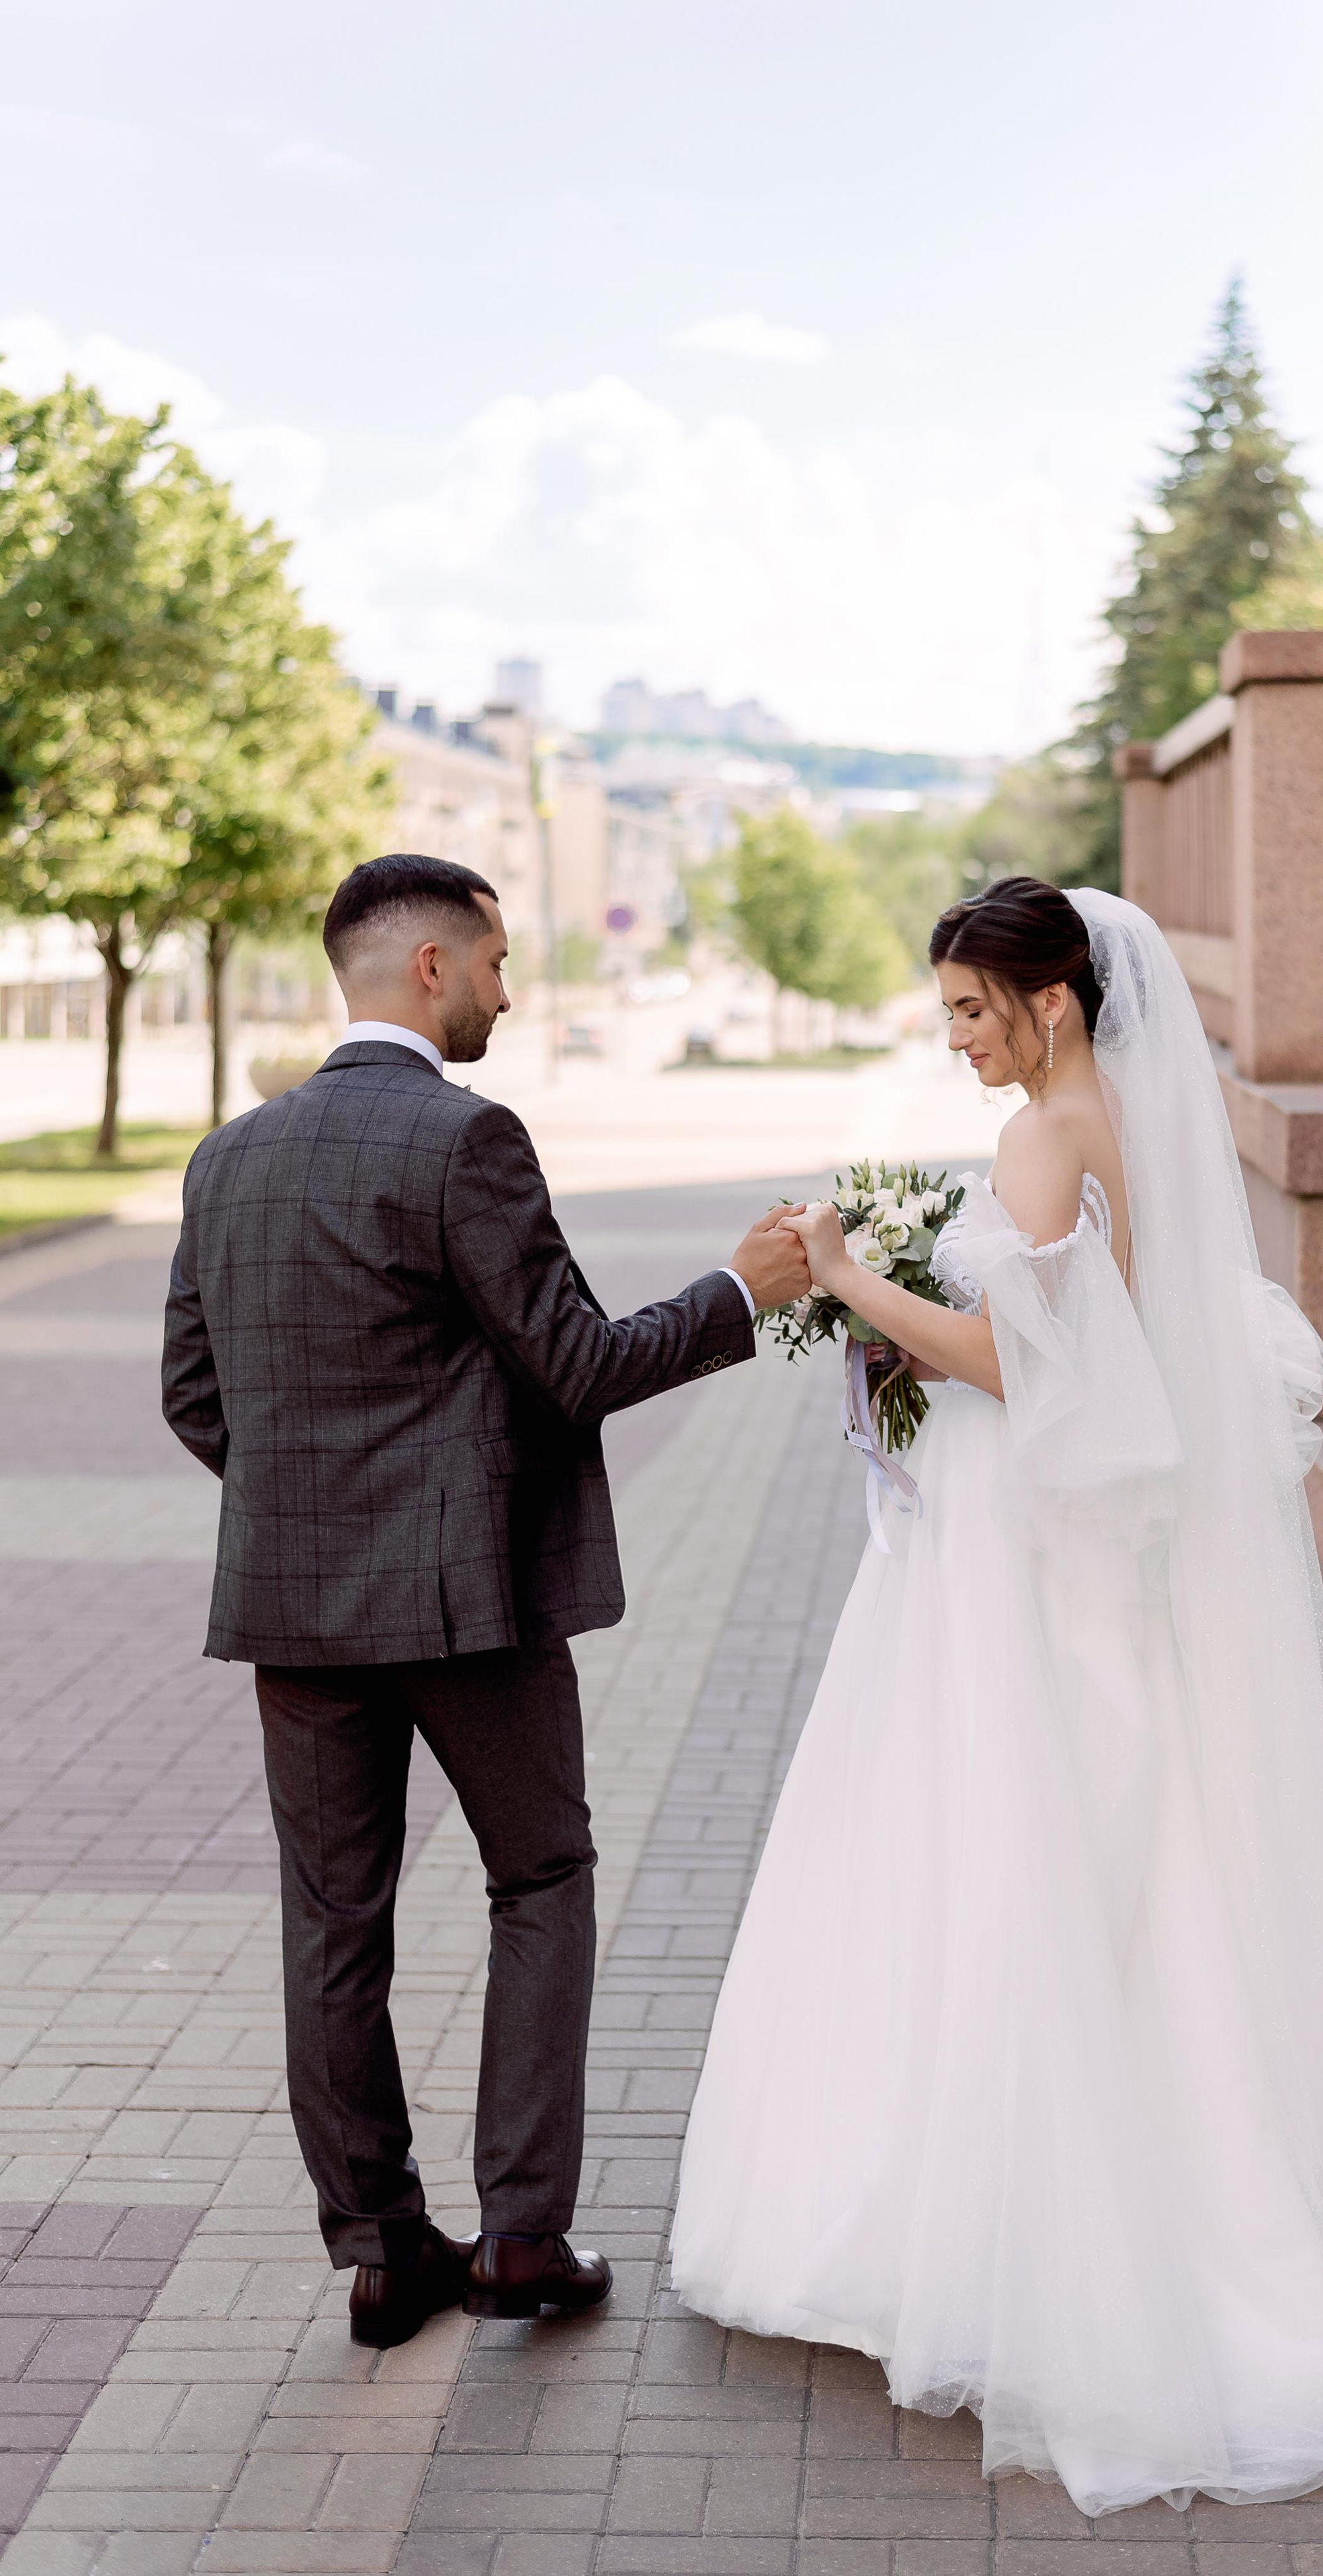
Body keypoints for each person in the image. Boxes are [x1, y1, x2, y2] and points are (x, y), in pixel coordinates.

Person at [671, 876, 1323, 2515]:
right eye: (945, 1011)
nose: (955, 1039)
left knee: (1014, 1845)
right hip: (1067, 1543)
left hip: (1020, 1554)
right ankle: (1149, 2202)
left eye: (972, 1009)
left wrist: (845, 1278)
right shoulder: (1118, 1128)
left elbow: (1023, 1365)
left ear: (1054, 1000)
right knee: (1125, 1852)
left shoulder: (1046, 1138)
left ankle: (1035, 2249)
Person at [161, 851, 809, 2350]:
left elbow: (198, 1399)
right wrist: (738, 1293)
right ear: (431, 966)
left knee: (333, 1924)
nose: (510, 994)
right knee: (542, 1878)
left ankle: (385, 2254)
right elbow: (576, 1363)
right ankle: (521, 2237)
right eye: (500, 963)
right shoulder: (467, 1137)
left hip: (295, 1612)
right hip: (472, 1608)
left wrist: (311, 1509)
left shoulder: (226, 1158)